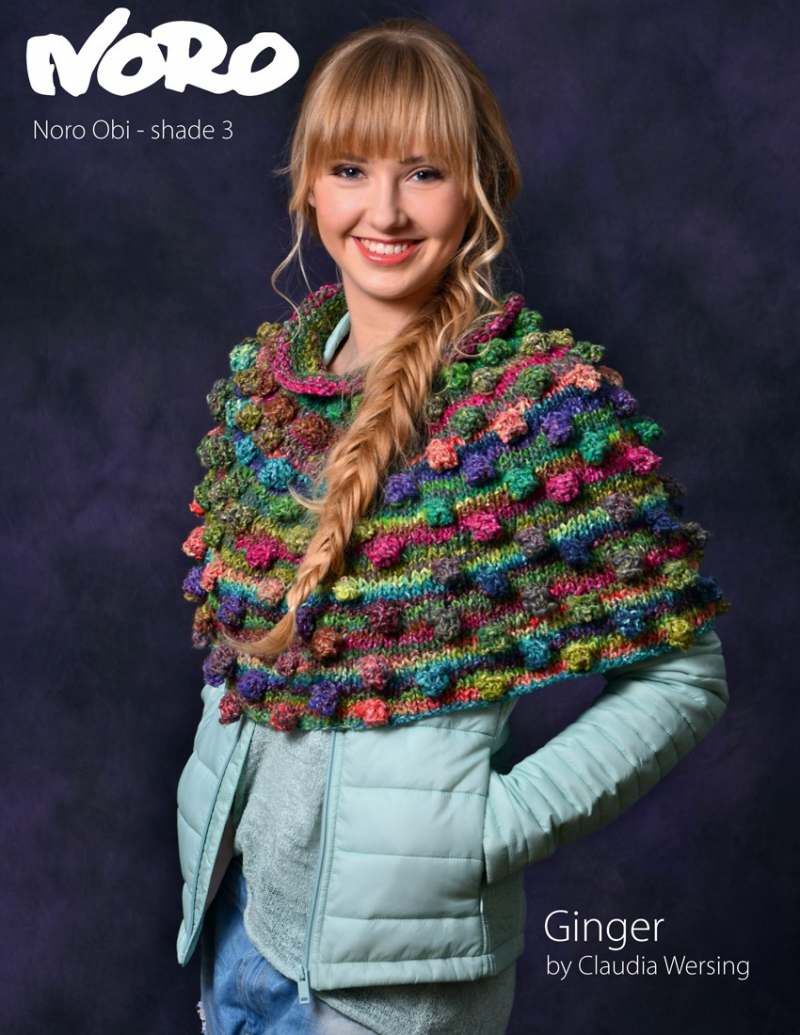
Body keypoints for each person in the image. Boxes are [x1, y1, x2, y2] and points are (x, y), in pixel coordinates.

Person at [175, 17, 731, 1035]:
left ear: (476, 191)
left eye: (423, 173)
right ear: (308, 188)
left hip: (390, 987)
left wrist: (482, 830)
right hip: (233, 934)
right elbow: (241, 672)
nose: (383, 209)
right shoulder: (268, 395)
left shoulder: (533, 409)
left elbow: (682, 677)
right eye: (350, 168)